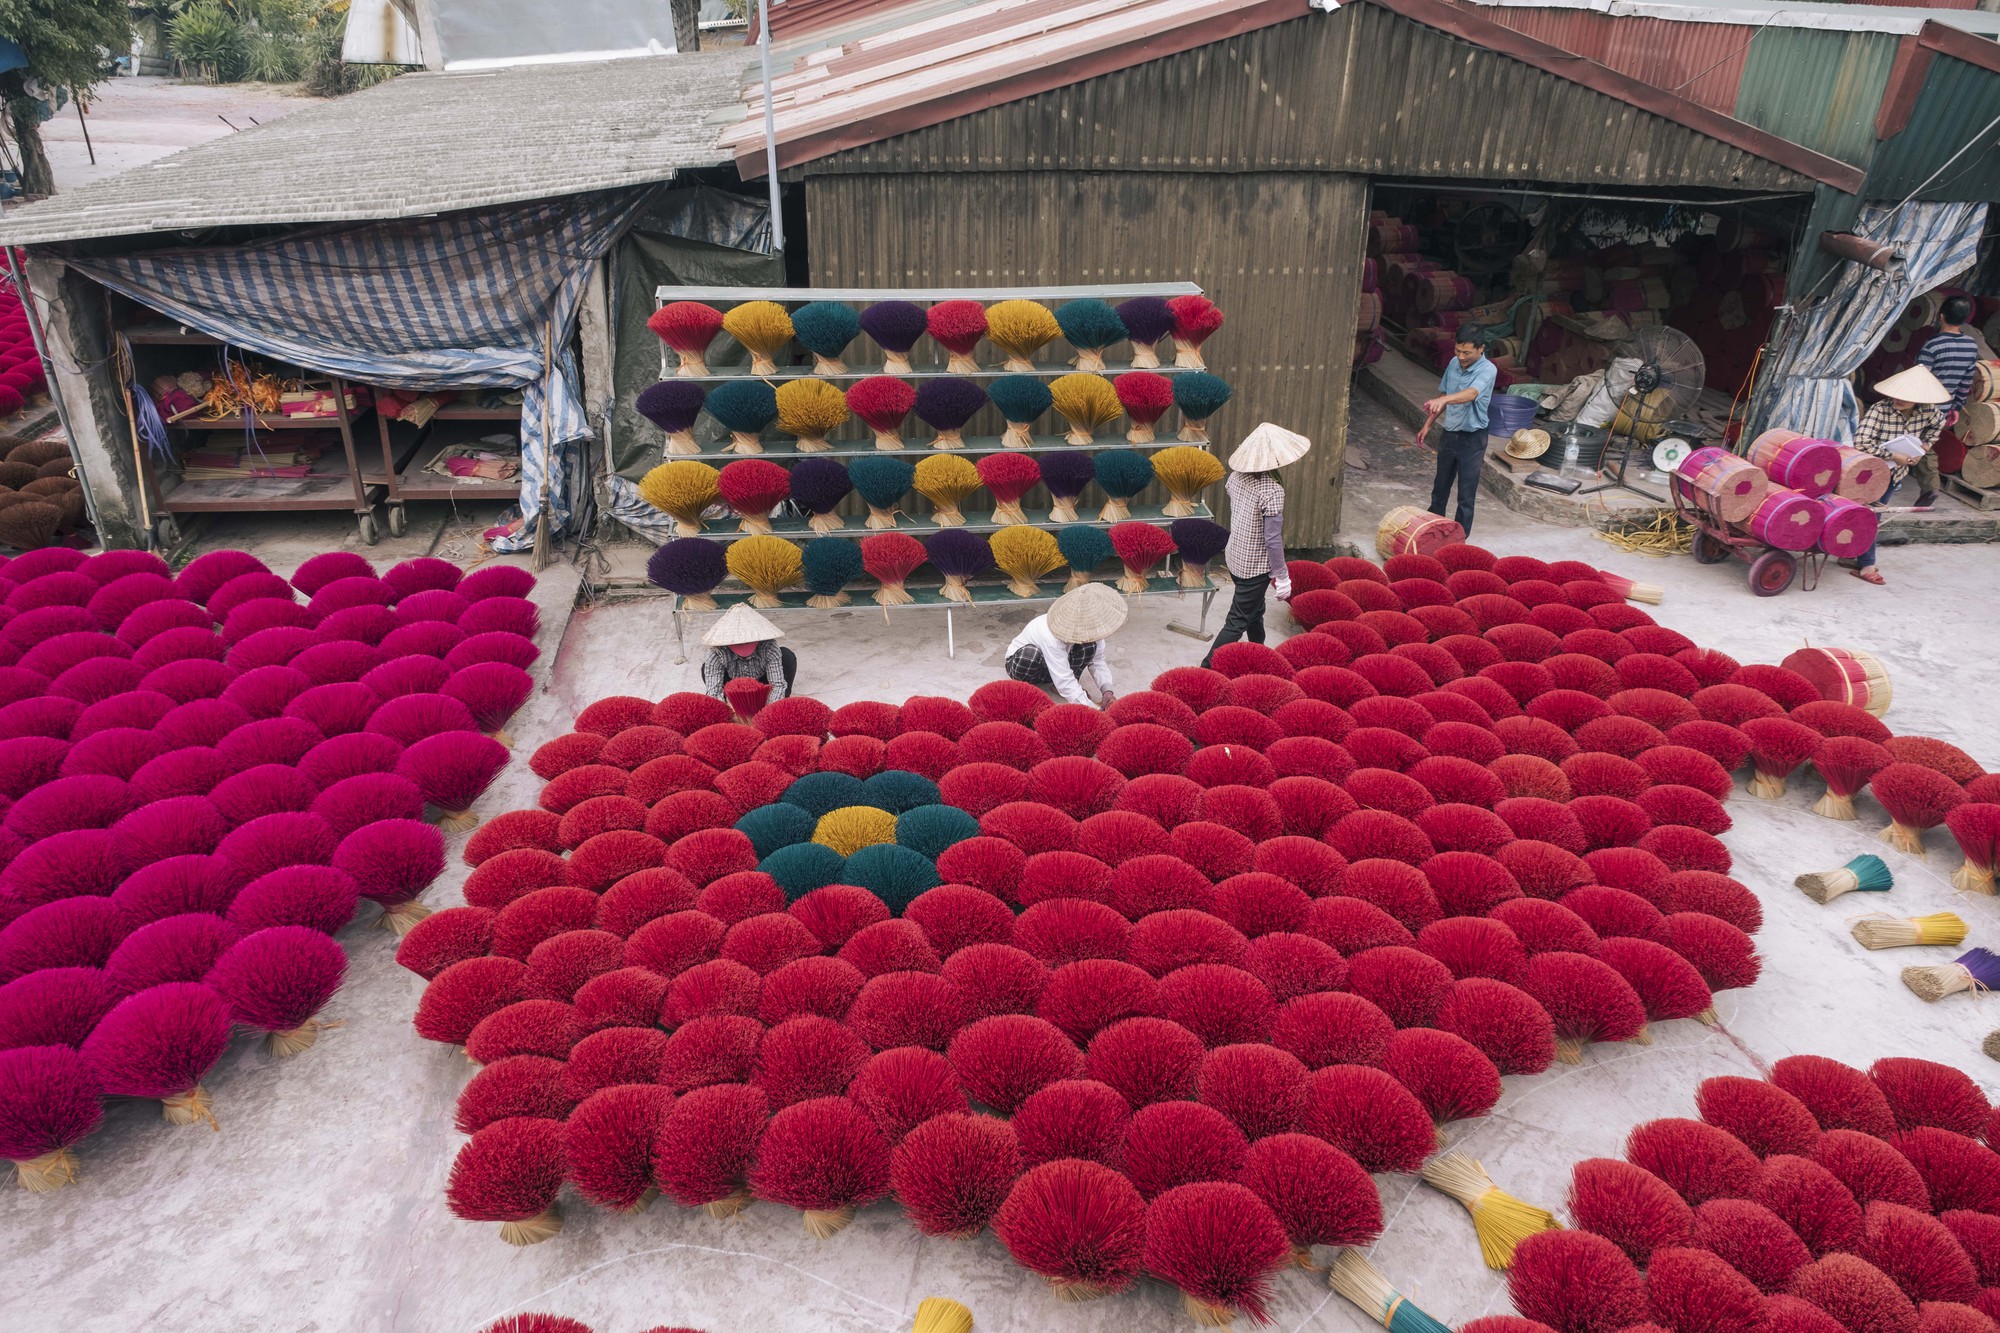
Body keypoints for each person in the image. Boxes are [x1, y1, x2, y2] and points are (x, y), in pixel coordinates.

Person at [1202, 422, 1311, 668]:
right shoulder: (1272, 490)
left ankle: (1258, 653)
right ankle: (1206, 668)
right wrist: (1282, 576)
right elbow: (1272, 539)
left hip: (1235, 555)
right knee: (1237, 621)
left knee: (1255, 609)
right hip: (1255, 567)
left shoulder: (1236, 477)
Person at [1846, 364, 1951, 586]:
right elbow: (1861, 442)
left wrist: (1923, 448)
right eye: (1896, 395)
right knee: (1869, 517)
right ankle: (1866, 565)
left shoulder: (1930, 413)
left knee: (1869, 516)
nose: (1898, 400)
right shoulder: (1879, 410)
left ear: (1919, 399)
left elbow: (1937, 427)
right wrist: (1893, 454)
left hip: (1895, 475)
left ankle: (1852, 555)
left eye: (1905, 397)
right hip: (1869, 473)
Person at [1423, 324, 1497, 535]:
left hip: (1473, 439)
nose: (1461, 356)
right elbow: (1443, 396)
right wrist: (1427, 424)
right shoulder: (1453, 363)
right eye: (1458, 350)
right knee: (1440, 487)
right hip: (1449, 434)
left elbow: (1471, 394)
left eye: (1467, 352)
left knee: (1466, 493)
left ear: (1480, 349)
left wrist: (1446, 399)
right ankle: (1433, 531)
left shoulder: (1488, 369)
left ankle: (1459, 538)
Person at [1005, 582, 1126, 708]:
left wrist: (1107, 691)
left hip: (1055, 664)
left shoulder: (1093, 628)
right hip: (1025, 665)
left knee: (1090, 646)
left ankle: (1059, 687)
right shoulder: (1049, 634)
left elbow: (1098, 661)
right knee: (1030, 654)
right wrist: (1091, 708)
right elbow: (1063, 677)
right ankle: (1031, 688)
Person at [699, 604, 796, 699]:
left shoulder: (769, 647)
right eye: (738, 642)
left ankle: (782, 703)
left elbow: (777, 685)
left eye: (748, 641)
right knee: (705, 668)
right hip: (732, 688)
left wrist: (769, 711)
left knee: (787, 656)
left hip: (763, 682)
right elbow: (714, 693)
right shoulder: (717, 654)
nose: (744, 644)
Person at [1918, 296, 1981, 415]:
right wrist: (1956, 407)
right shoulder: (1971, 345)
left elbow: (1919, 378)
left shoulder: (1933, 345)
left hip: (1921, 407)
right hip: (1944, 409)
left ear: (1941, 316)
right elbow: (1966, 382)